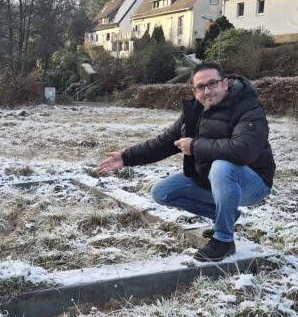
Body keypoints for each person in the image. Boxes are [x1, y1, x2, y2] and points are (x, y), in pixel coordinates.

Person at [97, 62, 275, 261]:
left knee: (222, 166)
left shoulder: (248, 107)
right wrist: (126, 157)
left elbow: (244, 150)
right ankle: (225, 216)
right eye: (201, 87)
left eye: (213, 84)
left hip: (253, 183)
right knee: (161, 192)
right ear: (194, 90)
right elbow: (166, 142)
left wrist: (195, 146)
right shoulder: (194, 110)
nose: (207, 91)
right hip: (212, 179)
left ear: (225, 83)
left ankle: (224, 240)